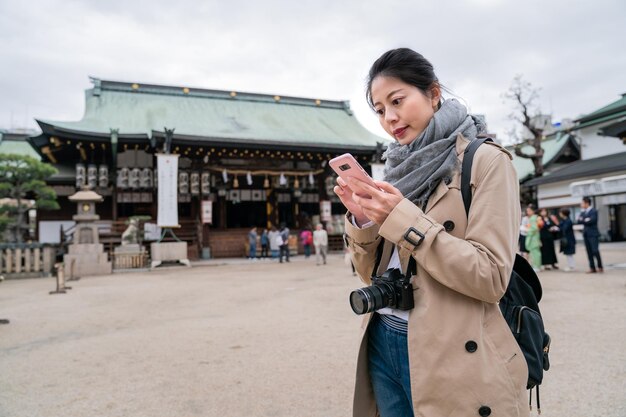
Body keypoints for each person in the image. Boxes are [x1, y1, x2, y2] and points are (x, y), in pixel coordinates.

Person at [335, 48, 527, 417]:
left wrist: (402, 218)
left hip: (449, 350)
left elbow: (490, 277)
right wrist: (365, 222)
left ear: (433, 93)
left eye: (397, 100)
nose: (389, 118)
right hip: (383, 338)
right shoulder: (396, 172)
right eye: (378, 110)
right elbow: (368, 275)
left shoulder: (485, 162)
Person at [577, 196, 604, 273]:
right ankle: (592, 268)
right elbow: (579, 220)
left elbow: (592, 220)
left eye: (582, 203)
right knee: (589, 252)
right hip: (585, 234)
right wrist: (585, 220)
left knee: (595, 250)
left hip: (593, 234)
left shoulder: (593, 211)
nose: (581, 205)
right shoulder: (583, 212)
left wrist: (584, 220)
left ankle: (600, 266)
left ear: (586, 203)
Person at [525, 204, 542, 272]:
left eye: (529, 211)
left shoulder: (533, 218)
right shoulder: (535, 217)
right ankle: (537, 266)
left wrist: (527, 230)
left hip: (533, 238)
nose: (527, 212)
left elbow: (534, 228)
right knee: (535, 252)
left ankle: (536, 266)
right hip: (535, 237)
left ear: (533, 211)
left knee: (535, 253)